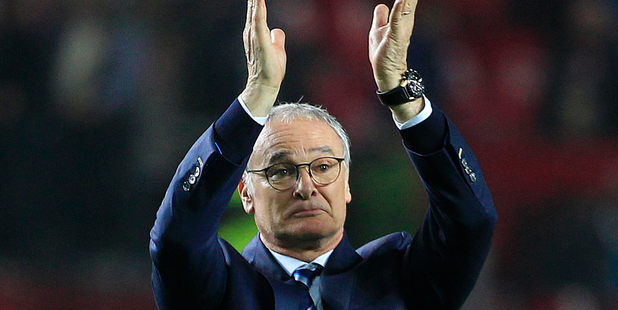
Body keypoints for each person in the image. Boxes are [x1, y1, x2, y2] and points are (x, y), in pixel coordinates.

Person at [149, 0, 497, 309]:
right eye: (282, 171)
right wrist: (255, 99)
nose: (306, 186)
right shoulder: (220, 284)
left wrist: (403, 99)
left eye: (324, 166)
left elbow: (471, 220)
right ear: (246, 194)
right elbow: (176, 238)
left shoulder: (400, 278)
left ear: (346, 185)